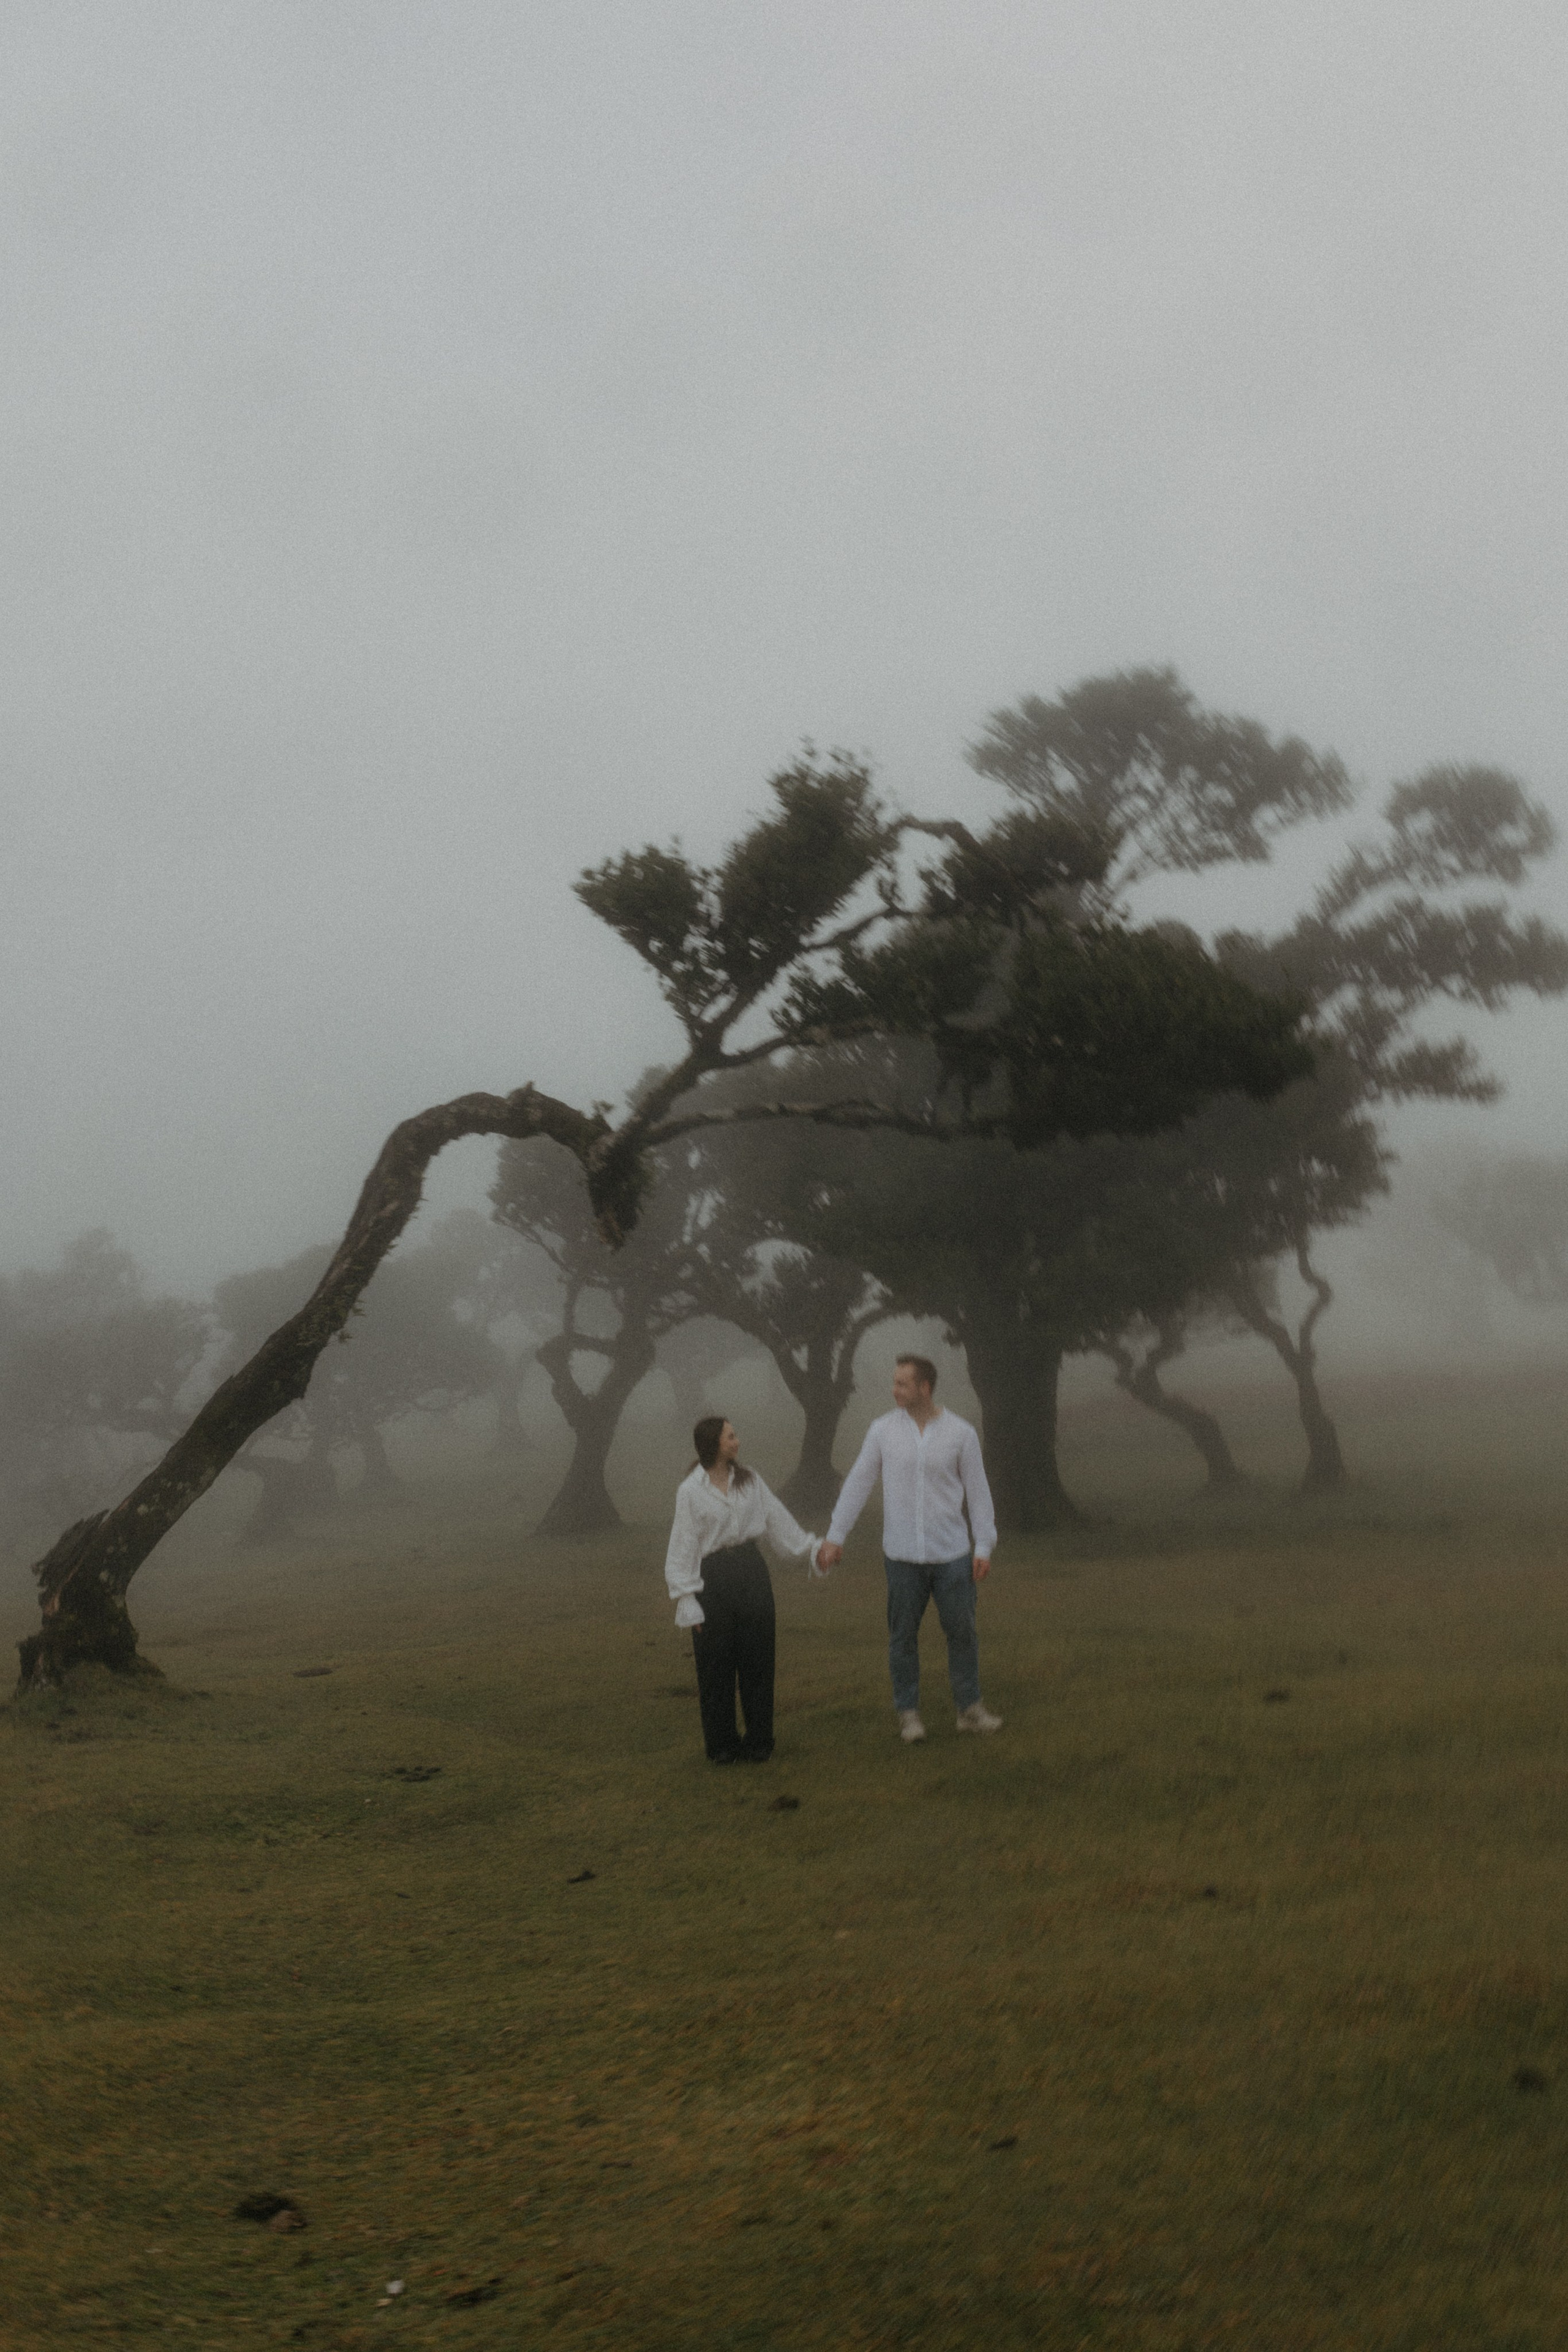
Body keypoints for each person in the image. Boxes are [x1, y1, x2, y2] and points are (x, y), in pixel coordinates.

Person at [816, 1354, 1001, 1743]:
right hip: (901, 1557)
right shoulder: (882, 1431)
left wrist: (983, 1545)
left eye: (902, 1383)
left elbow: (979, 1493)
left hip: (952, 1555)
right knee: (902, 1637)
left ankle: (969, 1709)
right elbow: (858, 1482)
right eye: (895, 1382)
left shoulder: (961, 1434)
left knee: (963, 1633)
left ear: (925, 1388)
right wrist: (836, 1535)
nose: (894, 1390)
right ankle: (909, 1715)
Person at [664, 1415, 826, 1765]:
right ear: (713, 1444)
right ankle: (722, 1746)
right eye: (730, 1437)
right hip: (712, 1578)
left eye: (735, 1436)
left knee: (758, 1659)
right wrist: (687, 1598)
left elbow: (779, 1523)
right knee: (715, 1663)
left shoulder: (750, 1481)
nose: (737, 1442)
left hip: (752, 1573)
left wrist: (812, 1549)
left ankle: (759, 1742)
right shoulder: (690, 1491)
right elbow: (683, 1546)